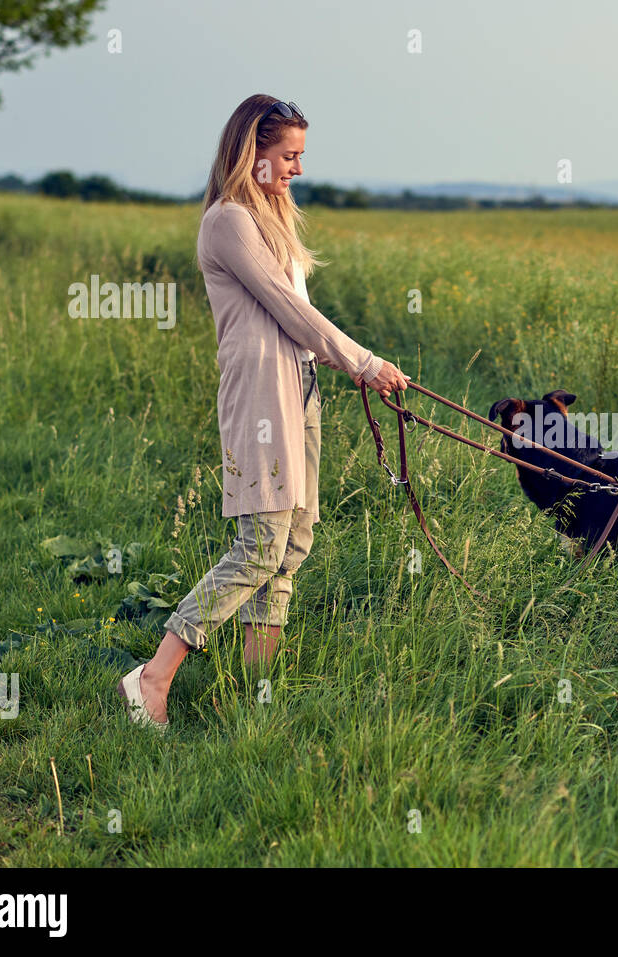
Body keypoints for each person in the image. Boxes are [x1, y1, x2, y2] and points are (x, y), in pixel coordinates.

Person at [117, 94, 408, 730]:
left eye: (300, 156)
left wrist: (347, 366)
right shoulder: (229, 222)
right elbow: (288, 309)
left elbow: (297, 323)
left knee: (292, 545)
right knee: (260, 546)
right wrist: (364, 362)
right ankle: (151, 678)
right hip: (260, 402)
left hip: (299, 391)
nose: (298, 169)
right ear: (253, 154)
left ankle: (252, 697)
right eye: (289, 156)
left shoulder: (273, 220)